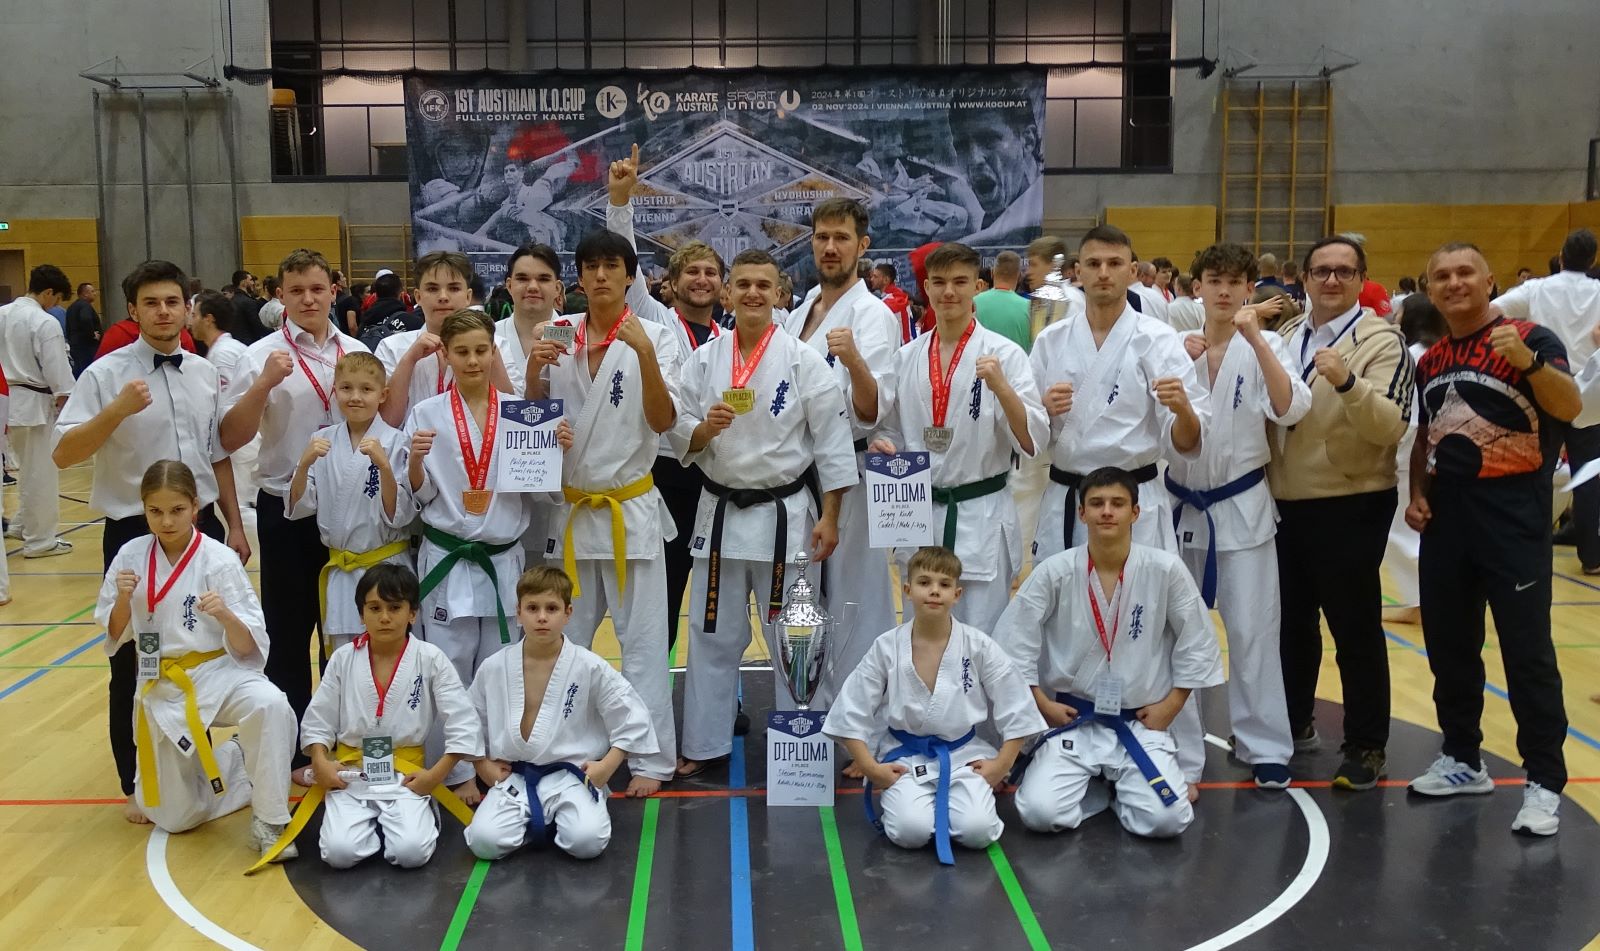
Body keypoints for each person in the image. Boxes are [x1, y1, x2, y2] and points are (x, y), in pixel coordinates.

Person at [53, 259, 252, 822]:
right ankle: (133, 780)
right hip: (134, 530)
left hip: (202, 528)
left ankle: (195, 766)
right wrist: (117, 410)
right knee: (132, 660)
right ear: (132, 311)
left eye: (172, 302)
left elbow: (217, 455)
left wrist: (234, 524)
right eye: (151, 303)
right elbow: (63, 453)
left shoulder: (203, 372)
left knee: (202, 652)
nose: (163, 312)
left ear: (188, 308)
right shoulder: (105, 374)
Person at [1404, 243, 1582, 836]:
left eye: (1465, 273)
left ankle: (1544, 780)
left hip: (1513, 515)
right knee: (1449, 646)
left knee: (1526, 651)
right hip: (1448, 518)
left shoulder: (1532, 338)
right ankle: (1462, 757)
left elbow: (1570, 406)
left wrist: (1528, 364)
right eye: (1442, 275)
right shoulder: (1431, 360)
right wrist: (1418, 492)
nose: (1454, 283)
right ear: (1430, 289)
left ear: (1490, 281)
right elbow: (1426, 436)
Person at [671, 248, 858, 777]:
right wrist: (702, 430)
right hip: (720, 514)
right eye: (743, 284)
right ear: (727, 294)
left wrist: (830, 517)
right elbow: (677, 428)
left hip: (787, 519)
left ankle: (800, 745)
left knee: (795, 634)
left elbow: (833, 443)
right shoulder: (703, 360)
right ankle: (704, 743)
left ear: (779, 295)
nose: (753, 293)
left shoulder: (803, 361)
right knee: (711, 632)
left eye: (763, 285)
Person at [524, 227, 684, 796]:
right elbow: (531, 419)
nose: (599, 275)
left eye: (611, 266)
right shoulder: (557, 333)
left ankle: (651, 758)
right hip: (572, 512)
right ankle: (568, 747)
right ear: (579, 276)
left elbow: (665, 422)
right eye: (590, 266)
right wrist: (533, 372)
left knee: (644, 644)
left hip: (628, 511)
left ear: (628, 275)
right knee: (563, 643)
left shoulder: (656, 335)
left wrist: (644, 354)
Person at [993, 467, 1223, 838]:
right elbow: (1013, 643)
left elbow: (1197, 641)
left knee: (1167, 820)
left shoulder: (1165, 569)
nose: (1107, 511)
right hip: (1075, 721)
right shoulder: (1055, 571)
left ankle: (1120, 790)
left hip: (1139, 722)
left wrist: (1172, 704)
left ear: (1136, 512)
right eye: (1097, 503)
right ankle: (1105, 788)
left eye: (1117, 503)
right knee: (1038, 813)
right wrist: (1041, 703)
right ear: (1082, 513)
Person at [1164, 243, 1312, 790]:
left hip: (1242, 507)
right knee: (1177, 633)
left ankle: (1264, 744)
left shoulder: (1269, 345)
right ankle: (1178, 745)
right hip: (1181, 506)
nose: (1224, 291)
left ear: (1250, 289)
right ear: (1196, 288)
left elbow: (1291, 409)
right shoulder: (1174, 348)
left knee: (1253, 630)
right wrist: (1184, 358)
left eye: (1234, 282)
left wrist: (1257, 340)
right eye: (1214, 281)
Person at [1271, 235, 1413, 790]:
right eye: (1321, 271)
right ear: (1305, 278)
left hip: (1350, 500)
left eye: (1344, 272)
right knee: (1291, 624)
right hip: (1283, 500)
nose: (1331, 280)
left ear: (1361, 280)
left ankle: (1366, 745)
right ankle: (1293, 722)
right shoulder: (1286, 335)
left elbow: (1390, 427)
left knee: (1353, 629)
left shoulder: (1382, 341)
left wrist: (1348, 383)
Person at [405, 309, 566, 796]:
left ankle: (496, 762)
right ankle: (454, 772)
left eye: (481, 350)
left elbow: (540, 493)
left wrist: (556, 450)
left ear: (494, 351)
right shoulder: (426, 414)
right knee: (448, 669)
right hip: (448, 557)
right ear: (446, 355)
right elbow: (421, 497)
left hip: (501, 558)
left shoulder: (521, 413)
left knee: (501, 669)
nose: (473, 361)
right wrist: (415, 462)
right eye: (462, 352)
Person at [96, 459, 297, 851]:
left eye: (177, 509)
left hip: (218, 671)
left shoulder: (219, 559)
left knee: (270, 704)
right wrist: (122, 598)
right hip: (161, 681)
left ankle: (271, 819)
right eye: (155, 511)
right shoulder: (130, 556)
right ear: (143, 509)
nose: (166, 521)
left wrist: (225, 615)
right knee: (176, 818)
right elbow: (115, 636)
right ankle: (237, 759)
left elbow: (249, 647)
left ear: (195, 507)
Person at [221, 249, 370, 733]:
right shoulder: (258, 356)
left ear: (333, 291)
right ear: (280, 296)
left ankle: (336, 737)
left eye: (317, 289)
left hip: (348, 507)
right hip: (285, 507)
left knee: (344, 629)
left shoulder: (356, 352)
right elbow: (230, 437)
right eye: (297, 290)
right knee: (287, 631)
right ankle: (290, 744)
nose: (308, 299)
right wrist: (264, 384)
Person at [824, 546, 1045, 864]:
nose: (934, 591)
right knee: (910, 831)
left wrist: (1001, 765)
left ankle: (949, 808)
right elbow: (850, 711)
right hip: (904, 758)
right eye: (924, 582)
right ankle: (913, 805)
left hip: (964, 756)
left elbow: (1017, 706)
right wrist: (871, 768)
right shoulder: (887, 647)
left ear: (957, 594)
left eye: (944, 584)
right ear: (907, 590)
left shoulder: (979, 645)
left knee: (978, 831)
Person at [870, 242, 1047, 634]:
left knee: (981, 639)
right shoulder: (907, 357)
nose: (948, 291)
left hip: (980, 514)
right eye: (939, 282)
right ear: (926, 288)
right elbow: (890, 429)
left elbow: (1033, 440)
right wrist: (884, 445)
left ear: (978, 287)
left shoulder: (1005, 355)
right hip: (916, 513)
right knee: (920, 638)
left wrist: (1002, 388)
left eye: (960, 282)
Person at [262, 563, 482, 870]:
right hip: (351, 774)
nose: (385, 617)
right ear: (361, 614)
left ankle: (406, 823)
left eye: (395, 608)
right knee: (339, 853)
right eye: (375, 608)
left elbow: (462, 720)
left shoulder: (430, 658)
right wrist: (320, 761)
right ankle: (374, 828)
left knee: (411, 853)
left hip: (406, 776)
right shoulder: (343, 658)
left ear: (413, 613)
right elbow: (319, 719)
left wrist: (435, 775)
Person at [779, 197, 902, 698]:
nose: (830, 247)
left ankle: (861, 715)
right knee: (804, 597)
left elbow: (872, 410)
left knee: (856, 598)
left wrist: (853, 360)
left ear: (862, 245)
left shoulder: (874, 315)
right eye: (822, 237)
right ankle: (807, 710)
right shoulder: (801, 311)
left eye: (842, 238)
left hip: (848, 467)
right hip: (797, 471)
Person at [1029, 224, 1205, 562]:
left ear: (1132, 271)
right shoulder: (1051, 341)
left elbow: (1187, 443)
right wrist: (1042, 408)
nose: (1103, 273)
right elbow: (1028, 434)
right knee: (1065, 596)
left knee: (1139, 595)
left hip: (1134, 501)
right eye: (1093, 264)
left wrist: (1184, 410)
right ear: (1077, 271)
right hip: (1069, 498)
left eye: (1114, 263)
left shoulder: (1159, 340)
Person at [465, 567, 658, 861]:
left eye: (552, 608)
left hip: (572, 776)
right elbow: (468, 720)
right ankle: (542, 819)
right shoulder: (495, 666)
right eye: (532, 608)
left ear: (568, 613)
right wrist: (482, 765)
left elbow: (632, 716)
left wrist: (608, 765)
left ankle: (559, 817)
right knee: (484, 843)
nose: (542, 617)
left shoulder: (588, 666)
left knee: (587, 842)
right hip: (516, 776)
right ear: (518, 613)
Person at [287, 352, 415, 654]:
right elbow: (300, 507)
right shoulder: (321, 440)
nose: (355, 397)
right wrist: (304, 465)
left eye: (366, 389)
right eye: (346, 388)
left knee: (390, 654)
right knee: (346, 657)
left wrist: (384, 467)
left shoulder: (397, 442)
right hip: (342, 572)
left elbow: (400, 515)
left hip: (386, 567)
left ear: (383, 395)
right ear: (335, 391)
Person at [1494, 229, 1600, 573]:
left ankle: (1529, 551)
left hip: (1544, 387)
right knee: (1588, 477)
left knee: (1537, 475)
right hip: (1589, 394)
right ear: (1593, 261)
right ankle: (1592, 556)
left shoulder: (1536, 289)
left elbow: (1493, 309)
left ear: (1561, 256)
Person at [377, 251, 510, 426]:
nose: (443, 297)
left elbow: (510, 415)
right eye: (432, 289)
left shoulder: (498, 345)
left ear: (468, 296)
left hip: (481, 443)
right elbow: (386, 422)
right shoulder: (391, 347)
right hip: (411, 443)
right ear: (418, 296)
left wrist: (487, 350)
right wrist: (409, 360)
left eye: (454, 288)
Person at [0, 263, 74, 558]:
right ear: (48, 292)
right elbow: (58, 372)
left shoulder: (2, 313)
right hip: (33, 406)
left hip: (5, 401)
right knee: (40, 474)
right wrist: (67, 398)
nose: (55, 305)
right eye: (56, 299)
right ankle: (41, 541)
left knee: (25, 470)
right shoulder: (44, 322)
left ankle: (21, 524)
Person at [1382, 296, 1447, 625]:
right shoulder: (1436, 351)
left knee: (1401, 532)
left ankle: (1424, 602)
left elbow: (1409, 415)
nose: (1395, 316)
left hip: (1410, 451)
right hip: (1430, 450)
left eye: (1400, 312)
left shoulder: (1411, 355)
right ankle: (1429, 600)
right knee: (1414, 531)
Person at [973, 250, 1032, 352]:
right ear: (1019, 277)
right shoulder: (1030, 308)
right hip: (1017, 362)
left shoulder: (972, 303)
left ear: (992, 273)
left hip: (978, 361)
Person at [869, 263, 916, 344]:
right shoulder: (896, 295)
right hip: (907, 346)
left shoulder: (892, 301)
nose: (871, 279)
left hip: (904, 348)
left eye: (875, 277)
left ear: (886, 280)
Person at [65, 282, 102, 375]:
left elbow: (68, 327)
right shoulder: (85, 306)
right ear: (85, 294)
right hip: (87, 347)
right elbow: (86, 319)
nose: (95, 294)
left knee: (78, 371)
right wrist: (92, 335)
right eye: (92, 291)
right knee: (89, 372)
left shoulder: (71, 307)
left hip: (75, 346)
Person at [230, 270, 270, 344]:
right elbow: (258, 328)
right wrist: (276, 330)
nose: (253, 283)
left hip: (235, 343)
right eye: (251, 280)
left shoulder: (231, 301)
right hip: (249, 344)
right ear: (243, 283)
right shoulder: (248, 302)